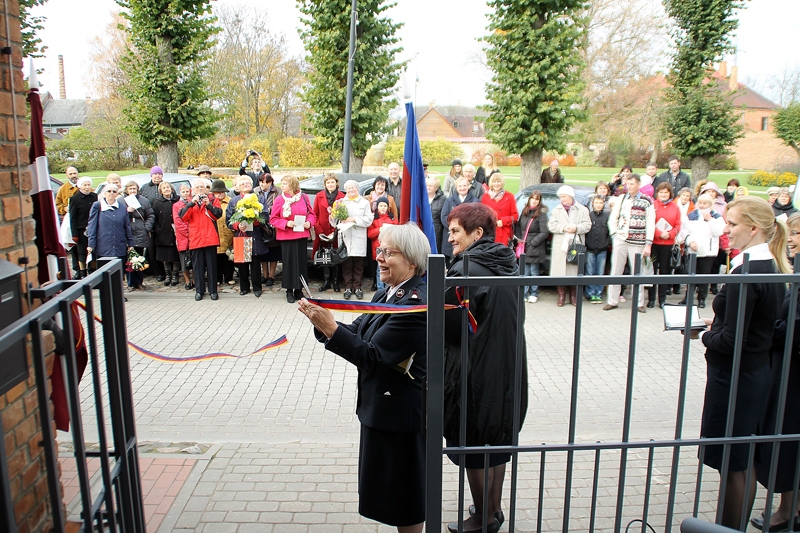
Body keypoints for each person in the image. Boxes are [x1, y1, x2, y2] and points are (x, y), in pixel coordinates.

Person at [298, 223, 430, 533]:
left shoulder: (415, 304)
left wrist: (330, 328)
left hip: (400, 416)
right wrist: (323, 321)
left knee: (405, 499)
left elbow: (373, 357)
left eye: (388, 252)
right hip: (383, 410)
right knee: (392, 494)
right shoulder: (388, 291)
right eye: (379, 250)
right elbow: (359, 331)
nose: (379, 258)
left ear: (411, 261)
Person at [689, 195, 788, 530]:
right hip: (754, 374)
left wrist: (704, 335)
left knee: (733, 465)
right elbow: (755, 327)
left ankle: (729, 530)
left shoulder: (747, 270)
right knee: (740, 462)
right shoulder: (770, 265)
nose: (726, 230)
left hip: (734, 379)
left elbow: (732, 340)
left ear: (754, 227)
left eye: (732, 224)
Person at [443, 202, 527, 533]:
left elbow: (451, 324)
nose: (449, 238)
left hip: (476, 366)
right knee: (500, 438)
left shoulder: (465, 268)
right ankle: (493, 508)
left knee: (474, 440)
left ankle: (483, 518)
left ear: (477, 234)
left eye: (455, 231)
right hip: (510, 364)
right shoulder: (509, 263)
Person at [752, 212, 800, 532]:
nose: (792, 238)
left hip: (793, 369)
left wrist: (768, 331)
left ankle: (789, 513)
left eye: (798, 233)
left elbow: (794, 323)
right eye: (792, 232)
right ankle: (789, 509)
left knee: (789, 438)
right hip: (788, 363)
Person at [605, 174, 655, 313]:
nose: (630, 186)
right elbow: (613, 218)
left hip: (638, 241)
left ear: (638, 184)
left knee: (637, 272)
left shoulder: (646, 201)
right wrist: (615, 234)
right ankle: (612, 300)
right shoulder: (621, 199)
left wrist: (648, 243)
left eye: (633, 184)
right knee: (616, 270)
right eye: (628, 183)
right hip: (621, 240)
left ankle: (638, 303)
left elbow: (650, 222)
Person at [270, 175, 316, 303]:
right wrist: (286, 223)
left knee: (301, 263)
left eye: (285, 183)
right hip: (287, 236)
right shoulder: (280, 200)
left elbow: (312, 214)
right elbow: (273, 219)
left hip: (301, 235)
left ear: (292, 185)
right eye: (282, 183)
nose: (282, 186)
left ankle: (299, 289)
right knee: (289, 263)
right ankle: (289, 290)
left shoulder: (304, 197)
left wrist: (309, 222)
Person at [179, 178, 222, 301]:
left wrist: (208, 204)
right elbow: (183, 216)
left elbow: (218, 215)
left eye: (201, 187)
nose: (200, 190)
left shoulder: (213, 200)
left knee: (212, 266)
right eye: (197, 188)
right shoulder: (188, 202)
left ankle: (213, 291)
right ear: (193, 190)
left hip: (210, 238)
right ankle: (199, 290)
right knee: (197, 268)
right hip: (196, 239)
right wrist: (192, 203)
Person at [680, 194, 727, 308]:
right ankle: (688, 298)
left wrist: (710, 220)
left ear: (710, 205)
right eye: (700, 203)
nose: (702, 205)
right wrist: (690, 241)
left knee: (704, 275)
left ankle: (702, 298)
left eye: (705, 203)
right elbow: (684, 230)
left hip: (708, 251)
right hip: (694, 249)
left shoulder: (716, 216)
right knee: (691, 275)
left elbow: (720, 232)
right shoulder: (692, 215)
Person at [548, 185, 592, 307]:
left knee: (574, 270)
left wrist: (576, 228)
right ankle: (561, 295)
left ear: (571, 196)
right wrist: (563, 227)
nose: (562, 199)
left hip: (575, 244)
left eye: (564, 196)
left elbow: (587, 225)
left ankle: (573, 296)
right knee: (561, 271)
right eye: (561, 197)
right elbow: (551, 225)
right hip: (561, 245)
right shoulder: (557, 210)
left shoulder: (582, 209)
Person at [227, 176, 269, 298]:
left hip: (255, 234)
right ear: (238, 187)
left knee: (255, 262)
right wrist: (237, 225)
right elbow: (228, 220)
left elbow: (265, 216)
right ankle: (244, 287)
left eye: (248, 183)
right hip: (241, 235)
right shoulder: (234, 201)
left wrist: (255, 221)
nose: (246, 185)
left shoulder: (260, 198)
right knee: (242, 263)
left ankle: (257, 287)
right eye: (243, 183)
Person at [334, 180, 373, 300]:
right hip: (345, 236)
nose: (351, 190)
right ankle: (347, 287)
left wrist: (354, 219)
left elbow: (368, 220)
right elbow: (334, 221)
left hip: (358, 237)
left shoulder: (364, 203)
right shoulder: (340, 202)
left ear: (357, 189)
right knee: (346, 264)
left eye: (353, 188)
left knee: (358, 264)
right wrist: (334, 215)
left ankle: (357, 287)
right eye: (349, 189)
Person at [85, 183, 134, 274]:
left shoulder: (122, 207)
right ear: (104, 193)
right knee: (104, 273)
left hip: (119, 245)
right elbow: (92, 226)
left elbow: (127, 227)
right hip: (103, 245)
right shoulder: (97, 206)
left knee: (118, 274)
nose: (111, 193)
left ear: (117, 194)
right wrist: (91, 244)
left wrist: (130, 243)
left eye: (114, 191)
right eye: (109, 191)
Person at [648, 182, 681, 308]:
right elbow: (649, 223)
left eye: (666, 192)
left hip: (667, 244)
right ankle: (651, 299)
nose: (663, 194)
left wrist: (671, 234)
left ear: (670, 193)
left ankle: (662, 299)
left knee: (665, 271)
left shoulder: (675, 207)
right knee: (652, 271)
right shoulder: (653, 206)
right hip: (654, 243)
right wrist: (659, 234)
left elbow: (678, 225)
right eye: (661, 192)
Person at [514, 190, 549, 303]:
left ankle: (534, 293)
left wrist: (533, 242)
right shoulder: (525, 212)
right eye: (532, 198)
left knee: (534, 271)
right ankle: (524, 293)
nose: (534, 201)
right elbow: (519, 227)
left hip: (535, 247)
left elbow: (544, 232)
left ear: (539, 201)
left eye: (536, 199)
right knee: (524, 271)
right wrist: (520, 239)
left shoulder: (541, 215)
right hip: (524, 246)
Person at [313, 173, 344, 292]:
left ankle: (336, 281)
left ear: (336, 183)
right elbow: (315, 215)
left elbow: (343, 216)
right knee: (325, 256)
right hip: (323, 232)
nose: (330, 184)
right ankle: (326, 281)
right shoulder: (319, 196)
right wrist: (320, 231)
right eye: (328, 183)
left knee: (335, 256)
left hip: (336, 232)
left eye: (332, 182)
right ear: (325, 184)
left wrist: (335, 232)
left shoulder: (341, 196)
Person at [122, 181, 155, 291]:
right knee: (130, 260)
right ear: (126, 190)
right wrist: (127, 211)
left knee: (139, 258)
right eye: (130, 189)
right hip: (128, 232)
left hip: (141, 232)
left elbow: (150, 215)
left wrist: (146, 227)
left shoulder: (144, 201)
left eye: (134, 189)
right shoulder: (121, 201)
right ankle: (131, 282)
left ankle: (139, 281)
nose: (132, 191)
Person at [441, 177, 481, 262]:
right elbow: (444, 216)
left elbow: (477, 219)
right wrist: (455, 229)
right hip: (450, 236)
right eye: (460, 186)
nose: (462, 188)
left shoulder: (475, 202)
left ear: (469, 186)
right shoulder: (449, 201)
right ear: (456, 187)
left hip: (468, 236)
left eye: (464, 185)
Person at [151, 182, 181, 286]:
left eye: (167, 187)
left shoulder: (177, 200)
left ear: (171, 188)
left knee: (175, 256)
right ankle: (168, 275)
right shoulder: (157, 202)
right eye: (164, 188)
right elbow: (154, 218)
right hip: (162, 233)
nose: (166, 189)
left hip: (176, 233)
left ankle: (175, 275)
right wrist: (158, 230)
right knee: (165, 256)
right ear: (161, 191)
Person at [68, 176, 97, 279]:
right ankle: (83, 272)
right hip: (81, 229)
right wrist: (74, 234)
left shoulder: (94, 197)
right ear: (80, 186)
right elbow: (73, 218)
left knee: (93, 251)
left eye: (88, 185)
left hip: (93, 228)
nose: (87, 187)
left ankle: (92, 270)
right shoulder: (74, 199)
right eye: (85, 185)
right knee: (82, 252)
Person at [584, 194, 610, 303]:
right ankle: (590, 293)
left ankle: (598, 293)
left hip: (602, 249)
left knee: (600, 272)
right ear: (592, 204)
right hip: (590, 249)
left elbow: (609, 233)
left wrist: (607, 243)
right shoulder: (589, 216)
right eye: (596, 203)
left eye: (601, 203)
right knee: (590, 271)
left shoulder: (607, 217)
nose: (598, 205)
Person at [480, 173, 518, 247]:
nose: (496, 184)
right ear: (491, 183)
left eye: (498, 181)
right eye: (494, 181)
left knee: (502, 255)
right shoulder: (485, 197)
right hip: (490, 232)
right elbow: (482, 216)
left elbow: (515, 216)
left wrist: (503, 221)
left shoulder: (509, 196)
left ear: (502, 182)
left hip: (504, 232)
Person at [367, 197, 396, 291]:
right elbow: (369, 234)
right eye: (381, 205)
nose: (383, 208)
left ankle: (389, 289)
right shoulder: (373, 219)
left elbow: (397, 232)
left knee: (389, 269)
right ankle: (380, 290)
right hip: (378, 248)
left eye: (385, 206)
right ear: (377, 207)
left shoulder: (392, 218)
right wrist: (379, 230)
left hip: (390, 248)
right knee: (380, 270)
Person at [257, 173, 281, 287]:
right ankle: (264, 274)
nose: (262, 184)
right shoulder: (256, 191)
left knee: (273, 251)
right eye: (261, 182)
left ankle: (271, 275)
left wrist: (268, 209)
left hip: (273, 226)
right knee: (263, 251)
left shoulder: (277, 191)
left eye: (265, 182)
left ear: (270, 183)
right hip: (260, 224)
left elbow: (280, 205)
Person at [210, 179, 235, 287]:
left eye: (221, 192)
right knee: (217, 258)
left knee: (228, 256)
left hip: (228, 232)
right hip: (215, 232)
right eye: (217, 192)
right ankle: (218, 277)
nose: (220, 194)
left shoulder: (230, 201)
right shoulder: (211, 203)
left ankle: (229, 277)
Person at [173, 184, 194, 291]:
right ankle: (187, 280)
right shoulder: (177, 205)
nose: (185, 194)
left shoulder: (193, 202)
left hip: (194, 235)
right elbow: (178, 221)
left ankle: (195, 279)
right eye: (183, 192)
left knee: (194, 259)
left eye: (187, 191)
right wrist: (187, 231)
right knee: (184, 260)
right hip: (183, 236)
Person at [427, 177, 446, 253]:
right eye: (427, 185)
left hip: (437, 230)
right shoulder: (421, 197)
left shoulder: (443, 199)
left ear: (436, 188)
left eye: (430, 186)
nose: (428, 188)